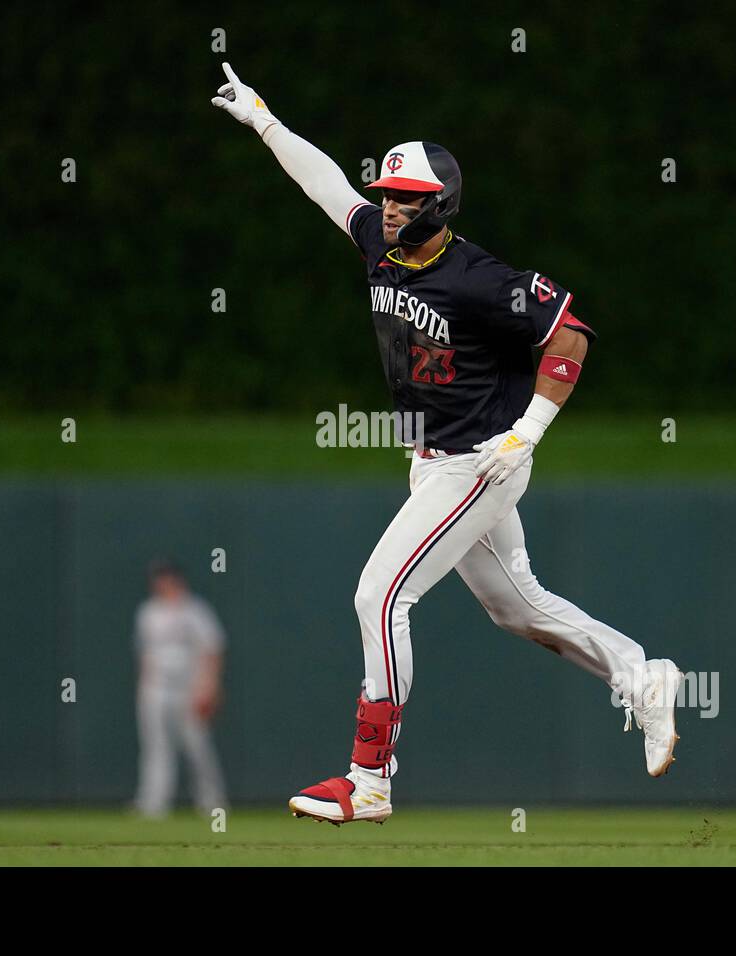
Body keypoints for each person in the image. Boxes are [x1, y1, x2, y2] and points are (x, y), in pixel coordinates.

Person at [211, 64, 682, 826]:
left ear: (442, 206)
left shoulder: (480, 278)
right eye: (390, 194)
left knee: (380, 593)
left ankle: (369, 778)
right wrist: (265, 119)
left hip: (479, 460)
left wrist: (528, 431)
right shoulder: (380, 245)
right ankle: (641, 673)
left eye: (409, 199)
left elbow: (572, 333)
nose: (391, 207)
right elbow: (325, 185)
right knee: (518, 608)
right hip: (433, 460)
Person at [132, 560, 227, 818]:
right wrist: (143, 689)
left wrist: (209, 687)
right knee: (156, 748)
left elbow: (213, 651)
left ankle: (212, 802)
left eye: (168, 578)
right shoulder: (148, 612)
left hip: (189, 689)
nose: (163, 584)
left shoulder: (195, 610)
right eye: (159, 578)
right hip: (156, 689)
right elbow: (145, 654)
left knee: (197, 747)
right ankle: (153, 804)